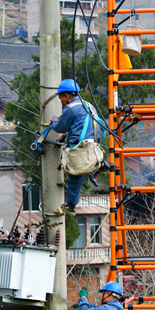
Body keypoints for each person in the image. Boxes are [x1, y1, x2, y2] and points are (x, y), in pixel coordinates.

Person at [50, 79, 104, 215]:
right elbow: (91, 126)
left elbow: (60, 126)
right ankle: (99, 167)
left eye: (61, 97)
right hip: (93, 150)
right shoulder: (89, 105)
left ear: (67, 95)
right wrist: (66, 136)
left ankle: (71, 206)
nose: (61, 100)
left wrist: (54, 120)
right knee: (76, 176)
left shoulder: (70, 108)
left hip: (80, 151)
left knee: (75, 178)